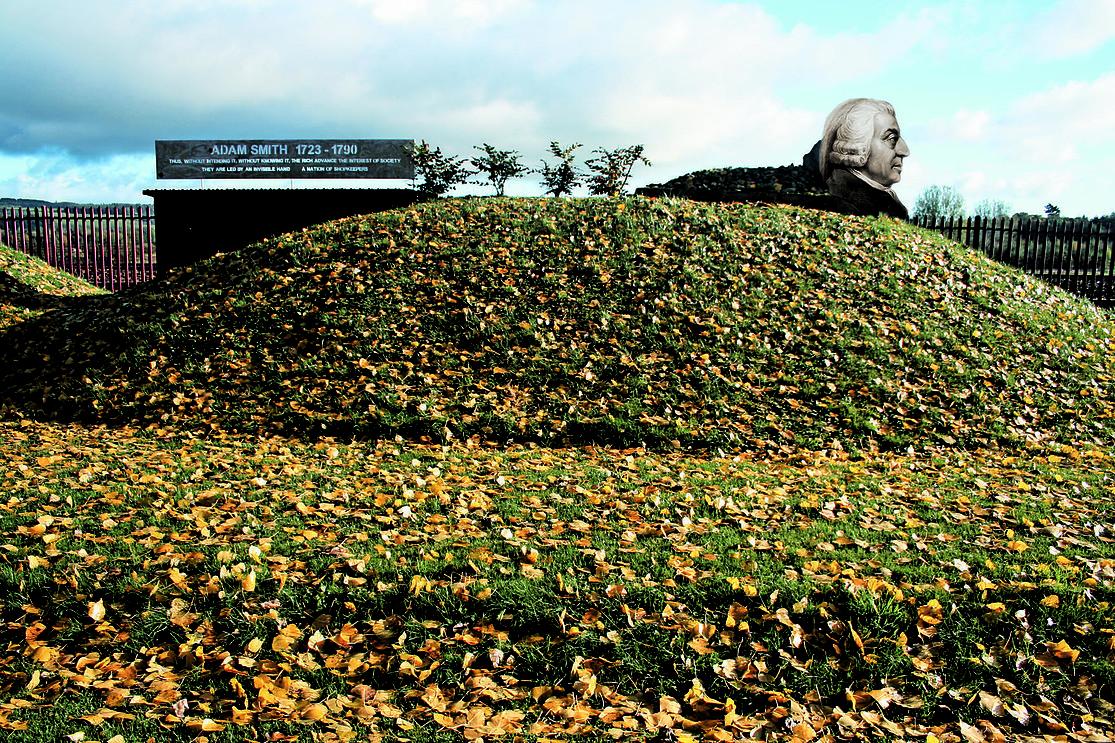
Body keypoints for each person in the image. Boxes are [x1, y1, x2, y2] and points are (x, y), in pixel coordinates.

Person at [805, 98, 911, 219]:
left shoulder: (886, 205)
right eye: (891, 138)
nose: (904, 151)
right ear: (856, 145)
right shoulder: (845, 208)